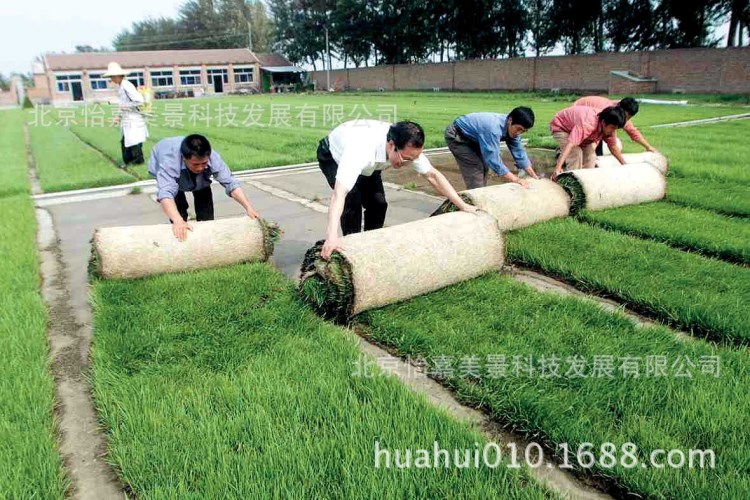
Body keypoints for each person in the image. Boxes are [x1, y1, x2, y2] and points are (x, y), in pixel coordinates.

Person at [317, 119, 477, 259]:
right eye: (406, 159)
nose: (408, 164)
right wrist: (331, 236)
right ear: (391, 145)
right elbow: (339, 194)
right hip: (333, 155)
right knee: (352, 200)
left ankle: (370, 244)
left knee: (378, 204)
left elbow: (433, 176)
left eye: (412, 160)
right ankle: (351, 250)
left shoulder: (407, 148)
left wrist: (462, 205)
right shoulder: (361, 150)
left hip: (371, 165)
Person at [148, 135, 260, 240]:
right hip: (164, 161)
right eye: (196, 164)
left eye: (204, 163)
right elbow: (165, 194)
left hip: (194, 173)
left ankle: (206, 237)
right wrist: (177, 220)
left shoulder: (213, 158)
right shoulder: (169, 163)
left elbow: (231, 183)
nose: (200, 167)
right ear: (184, 158)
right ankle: (181, 233)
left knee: (203, 193)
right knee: (178, 205)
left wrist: (248, 207)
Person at [445, 107, 539, 190]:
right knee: (476, 169)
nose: (519, 133)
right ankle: (474, 202)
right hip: (458, 136)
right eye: (518, 129)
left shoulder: (511, 128)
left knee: (484, 167)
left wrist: (534, 176)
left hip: (475, 138)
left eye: (523, 131)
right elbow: (493, 159)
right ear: (510, 120)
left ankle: (480, 193)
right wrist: (516, 179)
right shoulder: (493, 128)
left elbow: (519, 151)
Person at [550, 106, 627, 181]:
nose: (613, 132)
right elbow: (570, 145)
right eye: (612, 128)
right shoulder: (588, 124)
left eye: (615, 129)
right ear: (603, 123)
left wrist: (625, 165)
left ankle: (586, 182)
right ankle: (571, 182)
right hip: (562, 127)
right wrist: (557, 169)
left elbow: (613, 147)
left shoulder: (609, 128)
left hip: (581, 133)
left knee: (591, 156)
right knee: (576, 153)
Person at [103, 62, 149, 167]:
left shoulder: (126, 85)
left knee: (133, 140)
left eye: (112, 77)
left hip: (133, 117)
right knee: (126, 140)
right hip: (127, 117)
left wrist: (124, 106)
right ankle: (128, 161)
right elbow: (122, 103)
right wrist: (118, 117)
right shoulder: (121, 86)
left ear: (118, 76)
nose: (112, 79)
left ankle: (137, 162)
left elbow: (139, 100)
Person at [574, 96, 657, 154]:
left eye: (629, 118)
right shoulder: (607, 110)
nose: (626, 120)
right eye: (626, 117)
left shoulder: (621, 112)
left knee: (599, 140)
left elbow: (632, 132)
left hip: (592, 116)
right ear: (620, 108)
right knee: (589, 139)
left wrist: (648, 147)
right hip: (579, 112)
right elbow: (598, 132)